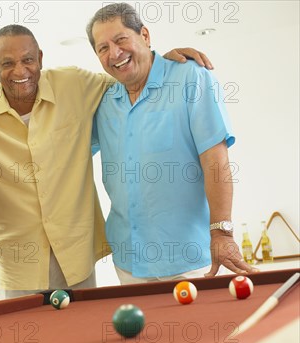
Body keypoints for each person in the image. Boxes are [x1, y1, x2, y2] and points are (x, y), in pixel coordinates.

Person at [0, 25, 211, 300]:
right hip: (13, 271)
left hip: (77, 260)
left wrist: (159, 61)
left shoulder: (76, 84)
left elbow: (129, 79)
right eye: (8, 63)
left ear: (41, 58)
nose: (20, 71)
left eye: (28, 60)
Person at [86, 3, 257, 284]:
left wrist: (222, 233)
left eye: (120, 39)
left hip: (189, 260)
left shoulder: (191, 78)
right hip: (128, 262)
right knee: (140, 331)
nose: (114, 53)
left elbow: (216, 161)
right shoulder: (103, 102)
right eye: (102, 48)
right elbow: (66, 149)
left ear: (145, 35)